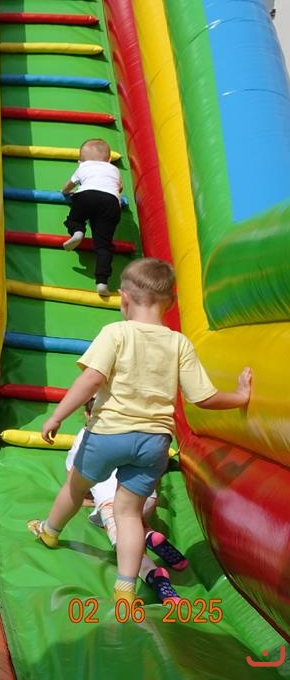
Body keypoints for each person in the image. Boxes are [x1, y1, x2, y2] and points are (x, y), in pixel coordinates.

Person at [27, 257, 252, 603]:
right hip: (154, 442)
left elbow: (92, 379)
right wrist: (240, 396)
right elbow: (203, 398)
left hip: (108, 433)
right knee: (129, 513)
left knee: (75, 486)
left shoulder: (116, 333)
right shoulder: (179, 343)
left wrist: (57, 416)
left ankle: (50, 530)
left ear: (124, 298)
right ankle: (126, 587)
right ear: (171, 302)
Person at [65, 403, 187, 604]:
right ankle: (149, 534)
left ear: (87, 414)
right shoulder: (135, 428)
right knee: (134, 521)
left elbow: (74, 482)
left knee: (125, 543)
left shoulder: (86, 439)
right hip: (145, 498)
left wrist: (88, 500)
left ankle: (154, 576)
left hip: (111, 503)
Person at [60, 138, 124, 297]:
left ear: (80, 161)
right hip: (110, 202)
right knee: (104, 245)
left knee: (74, 219)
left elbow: (69, 185)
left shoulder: (83, 167)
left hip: (85, 196)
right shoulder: (114, 169)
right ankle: (102, 282)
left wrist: (64, 192)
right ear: (109, 160)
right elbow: (120, 187)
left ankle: (78, 231)